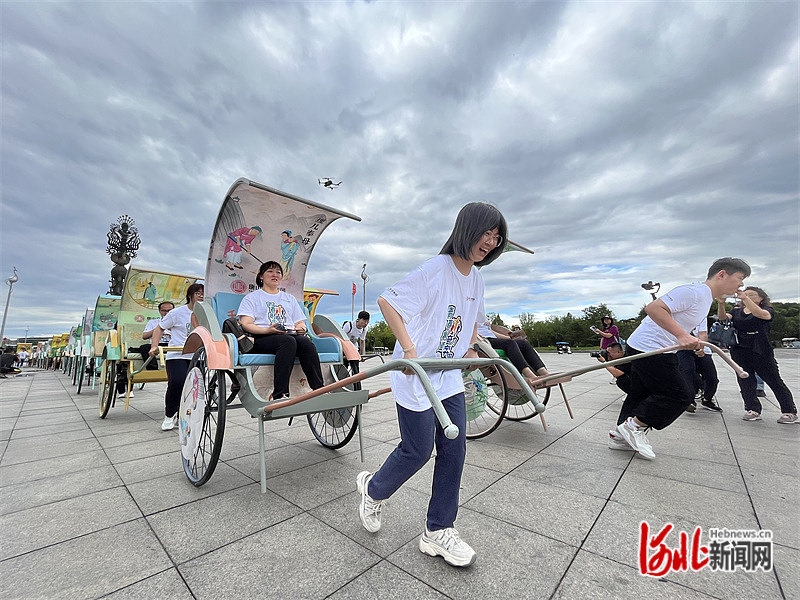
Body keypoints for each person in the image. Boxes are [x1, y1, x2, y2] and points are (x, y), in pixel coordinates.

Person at [356, 202, 508, 568]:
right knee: (418, 450)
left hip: (448, 375)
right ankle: (373, 490)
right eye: (486, 232)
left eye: (496, 236)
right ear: (467, 229)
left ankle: (438, 530)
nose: (490, 241)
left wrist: (472, 348)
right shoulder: (435, 270)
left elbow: (473, 321)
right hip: (417, 375)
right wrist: (409, 352)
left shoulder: (477, 278)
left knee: (454, 451)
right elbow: (387, 302)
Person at [610, 258, 751, 460]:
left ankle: (618, 436)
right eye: (739, 278)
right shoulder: (694, 292)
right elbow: (654, 308)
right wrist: (681, 335)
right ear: (722, 274)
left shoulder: (706, 299)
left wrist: (693, 340)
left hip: (658, 348)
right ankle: (632, 427)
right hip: (649, 349)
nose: (741, 284)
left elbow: (683, 323)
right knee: (679, 396)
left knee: (641, 394)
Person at [237, 261, 324, 400]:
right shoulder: (252, 298)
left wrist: (302, 328)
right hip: (261, 338)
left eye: (278, 272)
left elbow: (300, 322)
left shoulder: (289, 298)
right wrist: (267, 330)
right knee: (287, 341)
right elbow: (246, 324)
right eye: (270, 271)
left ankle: (319, 389)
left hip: (288, 335)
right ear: (261, 276)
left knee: (305, 343)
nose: (275, 275)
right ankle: (281, 394)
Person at [719, 286, 797, 424]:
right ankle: (752, 409)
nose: (747, 296)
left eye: (752, 295)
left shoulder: (767, 310)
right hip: (740, 348)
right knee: (745, 380)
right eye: (746, 294)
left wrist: (745, 298)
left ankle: (789, 411)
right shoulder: (736, 311)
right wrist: (721, 303)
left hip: (760, 349)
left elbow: (760, 315)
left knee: (773, 380)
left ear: (761, 298)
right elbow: (723, 319)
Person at [149, 283, 204, 431]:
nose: (201, 296)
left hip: (198, 356)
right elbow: (160, 328)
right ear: (190, 295)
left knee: (196, 388)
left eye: (203, 293)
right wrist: (154, 346)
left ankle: (187, 415)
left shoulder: (207, 313)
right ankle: (169, 415)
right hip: (177, 354)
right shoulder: (177, 313)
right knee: (177, 382)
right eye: (198, 293)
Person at [477, 319, 549, 387]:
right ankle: (529, 374)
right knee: (510, 344)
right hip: (481, 340)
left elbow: (490, 331)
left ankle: (543, 372)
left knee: (523, 344)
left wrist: (509, 337)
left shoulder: (482, 314)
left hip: (491, 338)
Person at [677, 322, 721, 413]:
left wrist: (701, 347)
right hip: (682, 348)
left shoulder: (701, 315)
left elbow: (703, 333)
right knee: (688, 370)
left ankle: (707, 399)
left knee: (711, 377)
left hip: (701, 347)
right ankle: (690, 400)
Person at [139, 302, 174, 370]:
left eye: (169, 311)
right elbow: (145, 336)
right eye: (164, 311)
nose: (166, 313)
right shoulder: (153, 322)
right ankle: (153, 370)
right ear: (159, 311)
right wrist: (159, 328)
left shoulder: (177, 322)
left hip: (172, 345)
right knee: (144, 347)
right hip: (156, 345)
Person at [343, 311, 370, 391]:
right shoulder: (349, 325)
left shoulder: (364, 329)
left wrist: (362, 355)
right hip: (344, 348)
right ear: (358, 319)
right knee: (344, 369)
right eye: (363, 321)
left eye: (367, 322)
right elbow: (340, 337)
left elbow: (362, 341)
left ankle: (357, 389)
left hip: (353, 349)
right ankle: (343, 387)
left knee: (356, 370)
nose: (365, 324)